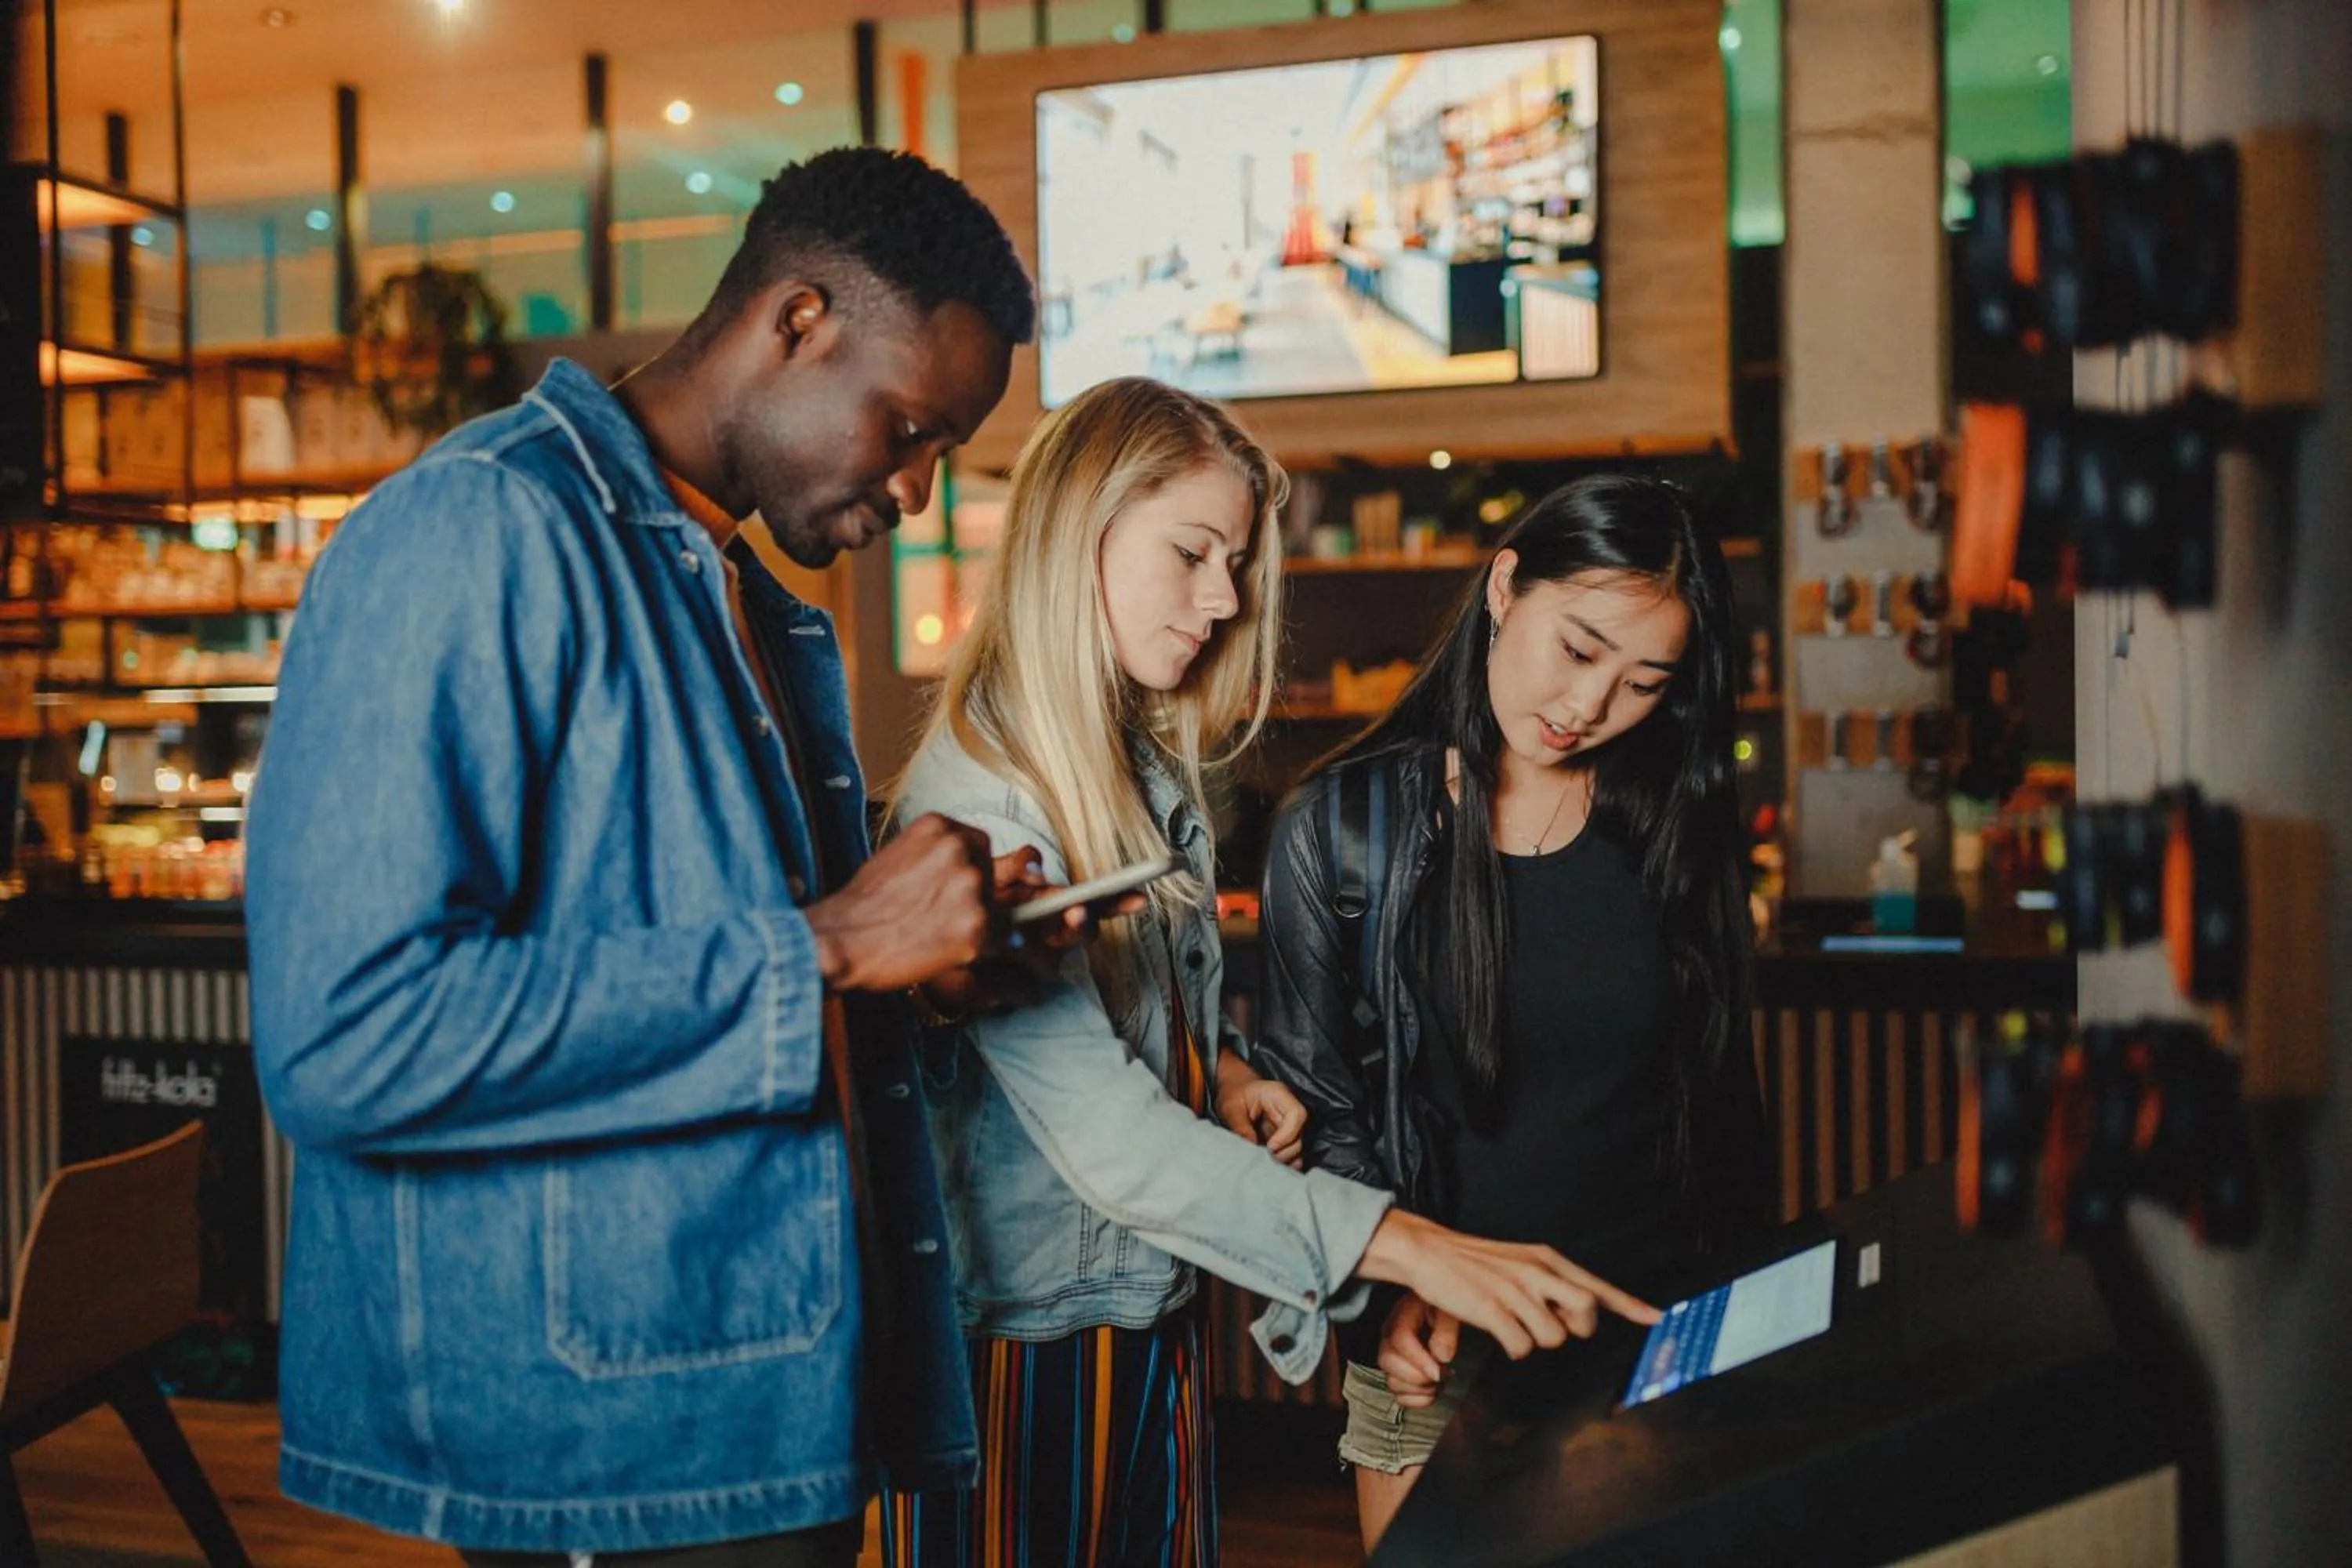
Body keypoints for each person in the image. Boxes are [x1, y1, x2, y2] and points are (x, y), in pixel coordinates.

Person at [245, 147, 1048, 1565]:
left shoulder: (738, 597)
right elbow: (348, 1040)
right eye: (910, 426)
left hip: (771, 1405)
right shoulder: (478, 525)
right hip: (607, 1455)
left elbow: (702, 952)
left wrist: (918, 970)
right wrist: (840, 944)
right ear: (797, 321)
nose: (920, 490)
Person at [880, 379, 1659, 1568]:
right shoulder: (983, 805)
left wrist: (1225, 1066)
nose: (1223, 598)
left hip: (1148, 1314)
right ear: (1075, 529)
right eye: (1193, 553)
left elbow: (1108, 1031)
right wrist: (1411, 1244)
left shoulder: (1129, 764)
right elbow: (1114, 1144)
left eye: (1234, 562)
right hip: (1022, 1344)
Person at [1253, 474, 1775, 1551]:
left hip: (1653, 1344)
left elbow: (1722, 1104)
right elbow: (1320, 1108)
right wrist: (1379, 1295)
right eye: (1578, 650)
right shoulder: (1342, 827)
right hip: (1437, 1352)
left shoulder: (1677, 827)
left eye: (1644, 683)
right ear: (1504, 589)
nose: (1589, 707)